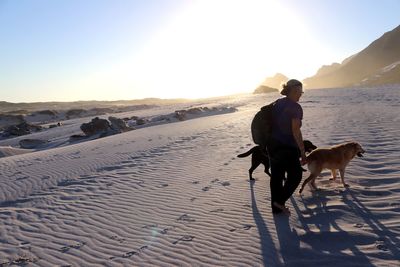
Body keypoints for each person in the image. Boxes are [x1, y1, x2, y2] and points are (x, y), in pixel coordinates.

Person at [267, 79, 306, 215]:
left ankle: (276, 209)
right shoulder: (295, 107)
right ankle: (280, 202)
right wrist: (302, 151)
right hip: (287, 147)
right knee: (296, 175)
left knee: (276, 177)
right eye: (298, 91)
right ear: (292, 91)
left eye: (301, 92)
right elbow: (295, 131)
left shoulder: (277, 103)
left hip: (272, 146)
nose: (300, 94)